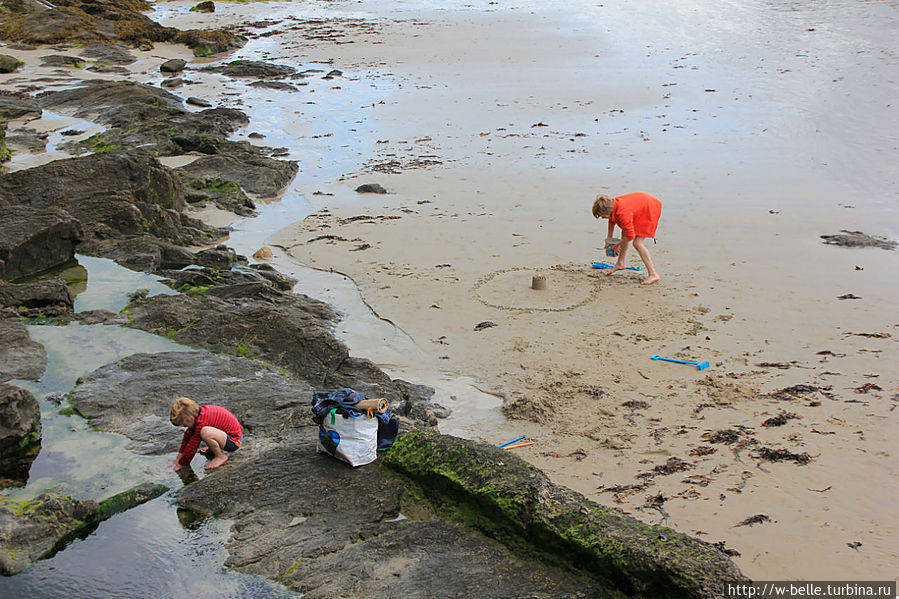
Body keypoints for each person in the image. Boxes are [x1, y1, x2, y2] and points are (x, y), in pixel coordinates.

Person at [592, 192, 662, 285]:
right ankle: (620, 263)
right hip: (642, 204)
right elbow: (611, 222)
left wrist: (617, 245)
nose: (602, 218)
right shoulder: (612, 205)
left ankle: (653, 274)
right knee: (624, 231)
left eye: (602, 216)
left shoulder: (623, 213)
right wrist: (609, 239)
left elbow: (630, 236)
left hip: (649, 208)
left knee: (637, 243)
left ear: (608, 212)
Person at [169, 397, 242, 471]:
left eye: (185, 425)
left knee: (205, 432)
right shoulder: (199, 413)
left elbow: (192, 446)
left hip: (235, 441)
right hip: (227, 436)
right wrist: (178, 459)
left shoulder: (202, 422)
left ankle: (220, 456)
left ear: (191, 418)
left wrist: (182, 464)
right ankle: (212, 450)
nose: (186, 427)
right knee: (205, 431)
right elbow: (187, 436)